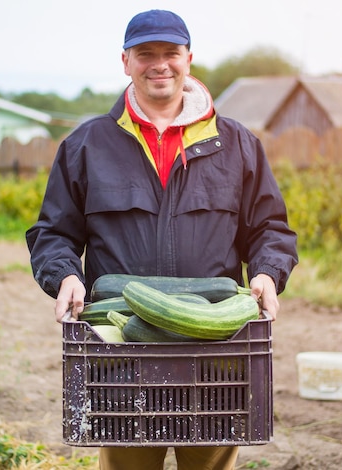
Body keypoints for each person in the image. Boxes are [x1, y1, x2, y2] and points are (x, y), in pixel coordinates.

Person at [26, 9, 298, 470]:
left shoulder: (237, 145)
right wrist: (65, 276)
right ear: (125, 61)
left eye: (170, 53)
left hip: (215, 352)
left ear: (188, 59)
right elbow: (52, 232)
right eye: (145, 54)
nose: (160, 64)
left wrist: (269, 274)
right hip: (121, 350)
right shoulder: (87, 145)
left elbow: (270, 228)